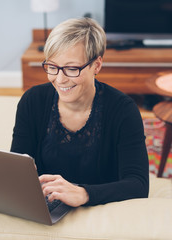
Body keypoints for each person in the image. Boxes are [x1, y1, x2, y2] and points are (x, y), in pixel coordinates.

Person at [11, 18, 149, 207]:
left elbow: (138, 185)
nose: (60, 79)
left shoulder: (123, 110)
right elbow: (18, 165)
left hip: (101, 209)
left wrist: (84, 194)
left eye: (71, 69)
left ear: (97, 65)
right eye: (52, 67)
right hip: (48, 208)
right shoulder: (32, 101)